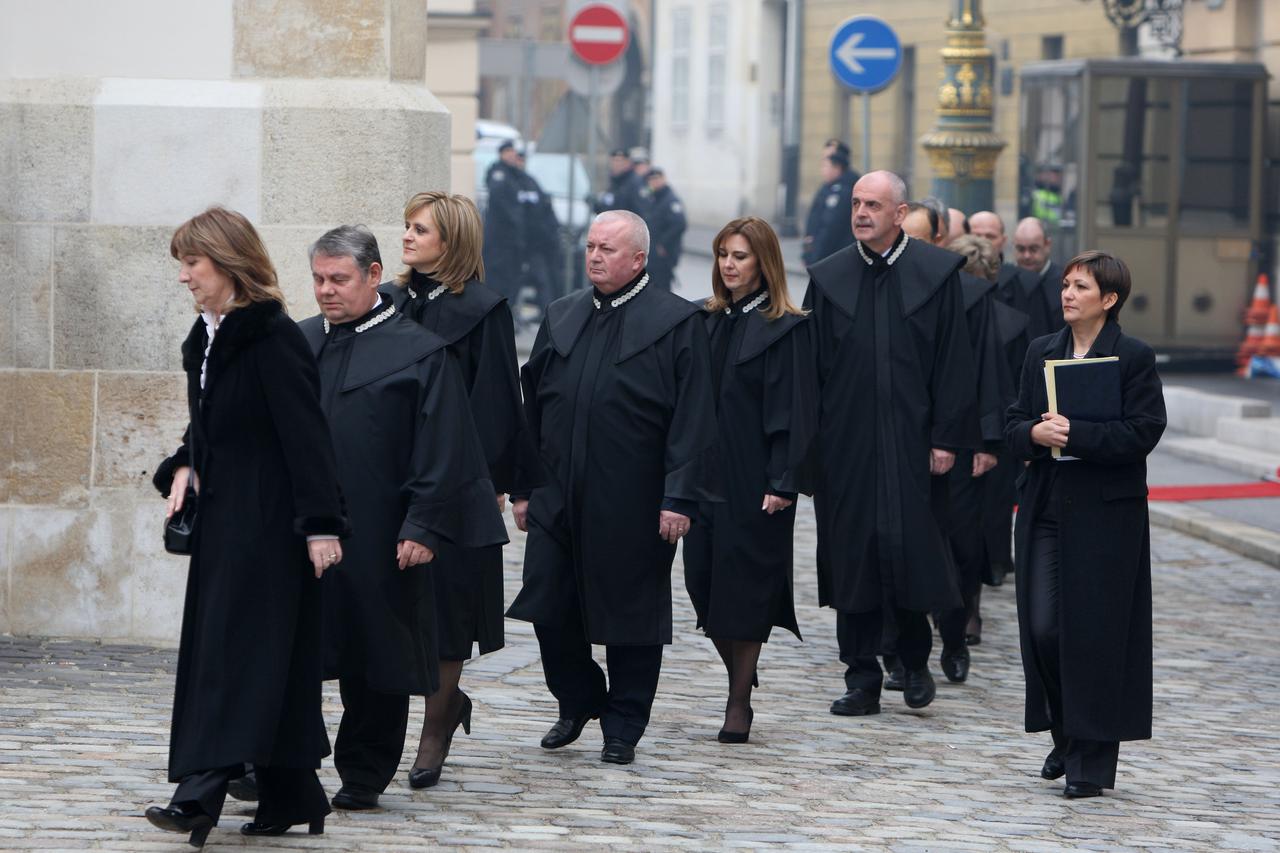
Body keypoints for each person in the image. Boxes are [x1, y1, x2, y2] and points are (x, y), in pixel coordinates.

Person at [146, 207, 348, 847]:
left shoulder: (271, 337)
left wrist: (321, 525)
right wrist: (184, 466)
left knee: (232, 658)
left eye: (193, 263)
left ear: (228, 264)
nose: (184, 277)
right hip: (224, 527)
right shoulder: (208, 335)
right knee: (265, 661)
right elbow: (207, 425)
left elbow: (308, 439)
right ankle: (294, 793)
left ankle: (199, 792)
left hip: (268, 529)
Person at [301, 226, 508, 811]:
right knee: (294, 649)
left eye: (338, 279)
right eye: (318, 279)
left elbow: (444, 449)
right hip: (306, 532)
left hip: (383, 533)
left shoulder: (419, 352)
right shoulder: (300, 342)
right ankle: (279, 759)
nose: (325, 291)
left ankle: (364, 772)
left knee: (375, 655)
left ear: (372, 275)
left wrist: (423, 525)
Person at [507, 210, 718, 766]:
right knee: (549, 606)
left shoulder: (676, 322)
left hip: (635, 498)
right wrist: (524, 486)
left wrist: (679, 496)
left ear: (639, 259)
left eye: (608, 248)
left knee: (630, 615)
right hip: (556, 491)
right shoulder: (562, 313)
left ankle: (623, 724)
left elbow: (694, 417)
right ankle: (577, 699)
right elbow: (534, 405)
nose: (595, 256)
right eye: (591, 246)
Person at [805, 171, 980, 718]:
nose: (860, 213)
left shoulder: (935, 274)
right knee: (852, 557)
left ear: (899, 213)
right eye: (856, 203)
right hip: (848, 446)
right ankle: (860, 677)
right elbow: (811, 370)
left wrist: (947, 436)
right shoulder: (830, 277)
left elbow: (955, 362)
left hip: (913, 441)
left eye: (873, 205)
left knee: (908, 552)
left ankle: (913, 658)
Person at [382, 191, 541, 788]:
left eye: (419, 229)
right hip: (392, 475)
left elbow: (499, 400)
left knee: (446, 612)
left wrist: (496, 482)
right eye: (406, 227)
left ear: (448, 241)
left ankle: (437, 722)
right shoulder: (389, 300)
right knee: (398, 606)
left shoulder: (483, 308)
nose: (406, 236)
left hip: (455, 477)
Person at [1005, 250, 1165, 798]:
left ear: (1109, 299)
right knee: (1045, 629)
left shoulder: (1134, 357)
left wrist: (1078, 435)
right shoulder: (1039, 352)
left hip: (1106, 517)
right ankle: (1065, 730)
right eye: (1066, 285)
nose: (1067, 294)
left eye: (1080, 287)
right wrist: (1032, 435)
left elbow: (1143, 432)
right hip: (1047, 509)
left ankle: (1090, 766)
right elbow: (1010, 423)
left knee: (1095, 637)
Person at [683, 216, 817, 743]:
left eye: (740, 256)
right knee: (702, 586)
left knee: (745, 591)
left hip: (756, 478)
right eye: (723, 255)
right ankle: (740, 664)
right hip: (703, 476)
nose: (729, 265)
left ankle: (738, 701)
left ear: (764, 262)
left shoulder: (786, 327)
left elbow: (797, 408)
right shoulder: (702, 321)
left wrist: (784, 479)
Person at [482, 140, 526, 303]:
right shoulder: (499, 173)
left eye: (513, 152)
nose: (512, 155)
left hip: (509, 239)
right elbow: (502, 203)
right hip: (499, 238)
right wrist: (515, 219)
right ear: (502, 154)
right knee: (496, 277)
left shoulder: (513, 174)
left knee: (510, 277)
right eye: (508, 152)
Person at [1013, 216, 1066, 339]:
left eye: (1033, 249)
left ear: (1047, 244)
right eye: (1021, 249)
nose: (1026, 256)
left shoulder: (1065, 283)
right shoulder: (1006, 284)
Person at [802, 148, 857, 265]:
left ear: (837, 168)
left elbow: (830, 226)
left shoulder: (841, 192)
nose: (823, 171)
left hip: (832, 255)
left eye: (826, 167)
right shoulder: (828, 187)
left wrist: (815, 256)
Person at [643, 168, 687, 292]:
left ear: (663, 179)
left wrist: (663, 244)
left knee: (662, 289)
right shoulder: (653, 198)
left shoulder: (670, 200)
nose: (654, 182)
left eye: (657, 179)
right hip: (653, 254)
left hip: (664, 254)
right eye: (651, 180)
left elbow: (680, 224)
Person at [595, 149, 645, 215]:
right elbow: (606, 208)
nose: (617, 164)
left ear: (628, 163)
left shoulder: (636, 183)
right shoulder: (614, 183)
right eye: (614, 161)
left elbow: (642, 211)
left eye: (620, 161)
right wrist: (596, 205)